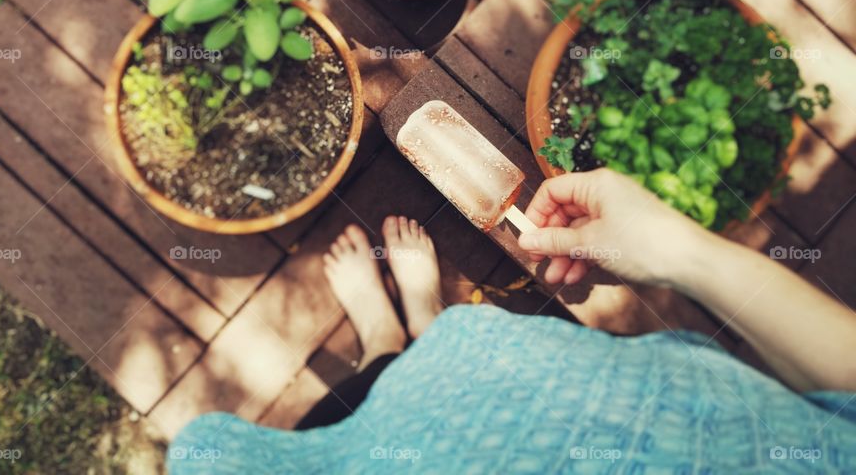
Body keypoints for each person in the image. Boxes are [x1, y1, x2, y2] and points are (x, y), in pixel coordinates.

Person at [168, 169, 856, 473]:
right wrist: (685, 255)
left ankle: (387, 340)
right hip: (565, 388)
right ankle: (427, 324)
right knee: (450, 359)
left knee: (373, 414)